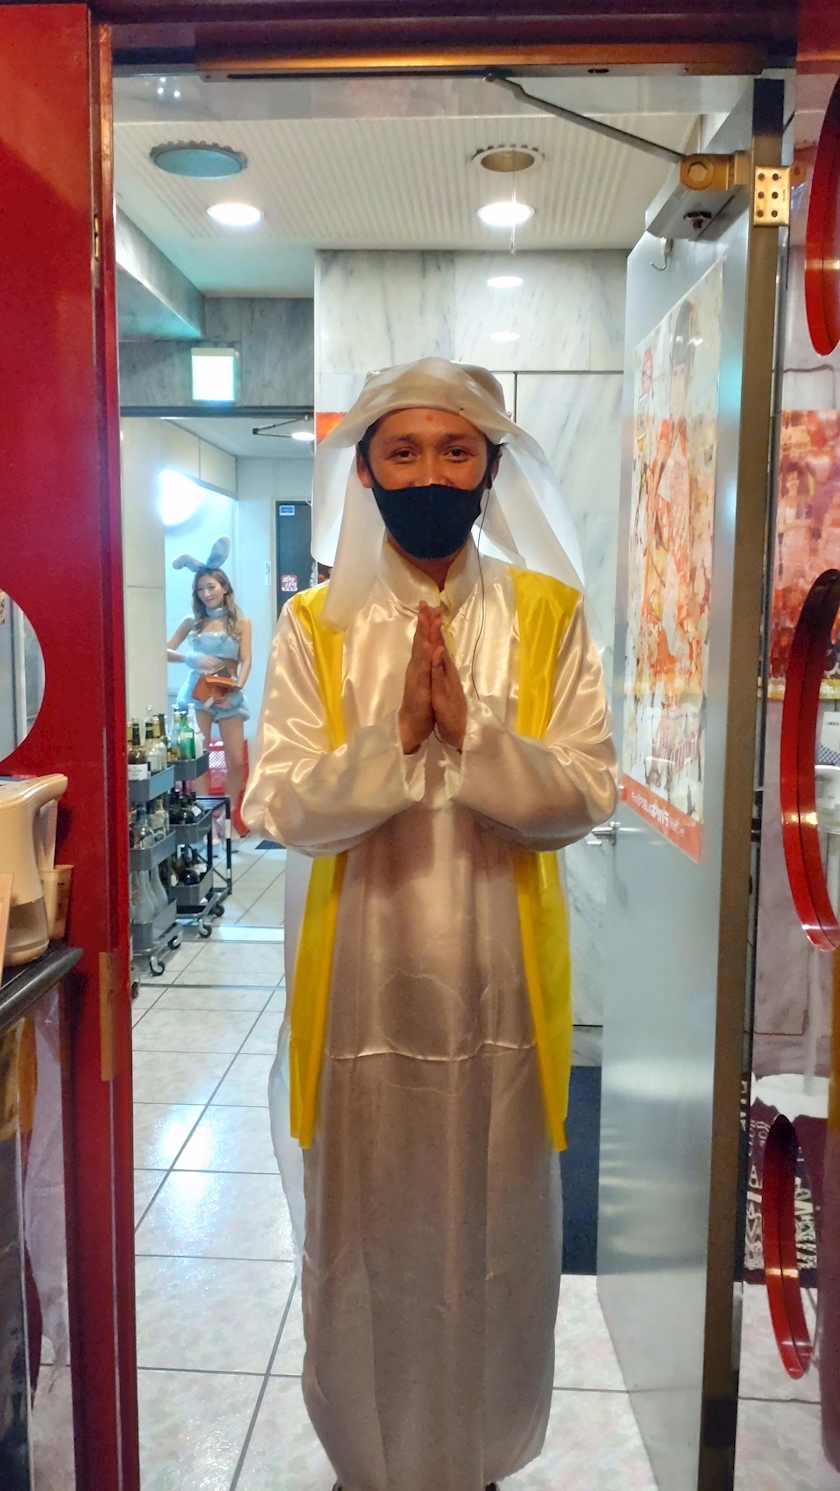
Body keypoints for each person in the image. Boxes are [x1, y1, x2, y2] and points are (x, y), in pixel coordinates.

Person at [243, 358, 617, 1491]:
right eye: (401, 452)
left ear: (491, 467)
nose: (430, 475)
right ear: (364, 470)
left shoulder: (548, 615)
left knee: (499, 1241)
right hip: (361, 987)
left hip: (504, 994)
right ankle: (369, 1460)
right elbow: (278, 803)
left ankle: (478, 1458)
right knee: (367, 1242)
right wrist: (396, 743)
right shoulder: (315, 624)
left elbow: (588, 791)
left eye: (457, 451)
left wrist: (482, 743)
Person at [166, 537, 252, 833]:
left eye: (211, 587)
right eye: (200, 589)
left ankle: (228, 814)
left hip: (228, 694)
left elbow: (247, 659)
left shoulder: (241, 622)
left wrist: (237, 687)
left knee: (235, 761)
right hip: (197, 694)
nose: (206, 594)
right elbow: (165, 650)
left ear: (224, 587)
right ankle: (206, 816)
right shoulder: (192, 621)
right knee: (198, 757)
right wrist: (190, 657)